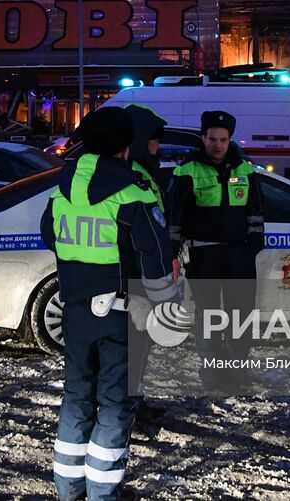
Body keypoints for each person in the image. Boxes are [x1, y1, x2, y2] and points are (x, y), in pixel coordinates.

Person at [41, 107, 176, 501]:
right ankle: (103, 491)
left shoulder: (63, 190)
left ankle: (69, 490)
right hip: (123, 316)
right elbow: (155, 260)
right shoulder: (134, 193)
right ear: (124, 149)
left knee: (77, 397)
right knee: (115, 404)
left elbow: (51, 235)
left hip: (75, 310)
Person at [168, 110, 265, 386]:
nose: (218, 145)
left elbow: (257, 209)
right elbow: (175, 215)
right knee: (209, 315)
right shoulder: (187, 169)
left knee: (240, 314)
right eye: (212, 139)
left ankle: (237, 368)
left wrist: (253, 245)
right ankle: (211, 369)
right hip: (203, 254)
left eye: (223, 139)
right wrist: (174, 252)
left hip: (239, 255)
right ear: (203, 138)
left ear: (230, 139)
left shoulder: (245, 169)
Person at [121, 102, 175, 432]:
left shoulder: (144, 172)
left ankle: (134, 404)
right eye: (154, 140)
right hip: (136, 278)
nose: (159, 146)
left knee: (139, 348)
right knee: (135, 346)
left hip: (142, 274)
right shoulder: (135, 177)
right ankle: (128, 412)